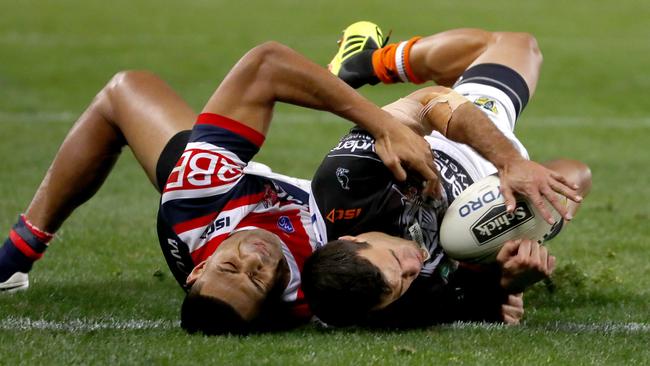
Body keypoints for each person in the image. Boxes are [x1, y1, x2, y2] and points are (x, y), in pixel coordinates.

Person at [0, 41, 440, 334]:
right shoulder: (323, 288)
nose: (255, 259)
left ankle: (16, 255)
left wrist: (381, 125)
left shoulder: (195, 203)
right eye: (258, 281)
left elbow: (266, 64)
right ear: (277, 299)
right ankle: (356, 65)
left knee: (124, 91)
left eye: (231, 268)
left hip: (221, 202)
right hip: (322, 209)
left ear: (199, 268)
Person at [302, 22, 592, 327]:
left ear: (352, 238)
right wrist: (511, 280)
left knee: (517, 44)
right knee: (573, 179)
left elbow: (430, 101)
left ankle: (368, 63)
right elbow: (488, 299)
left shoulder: (347, 183)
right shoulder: (401, 305)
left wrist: (509, 161)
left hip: (461, 141)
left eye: (397, 260)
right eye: (405, 280)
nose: (416, 263)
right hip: (493, 202)